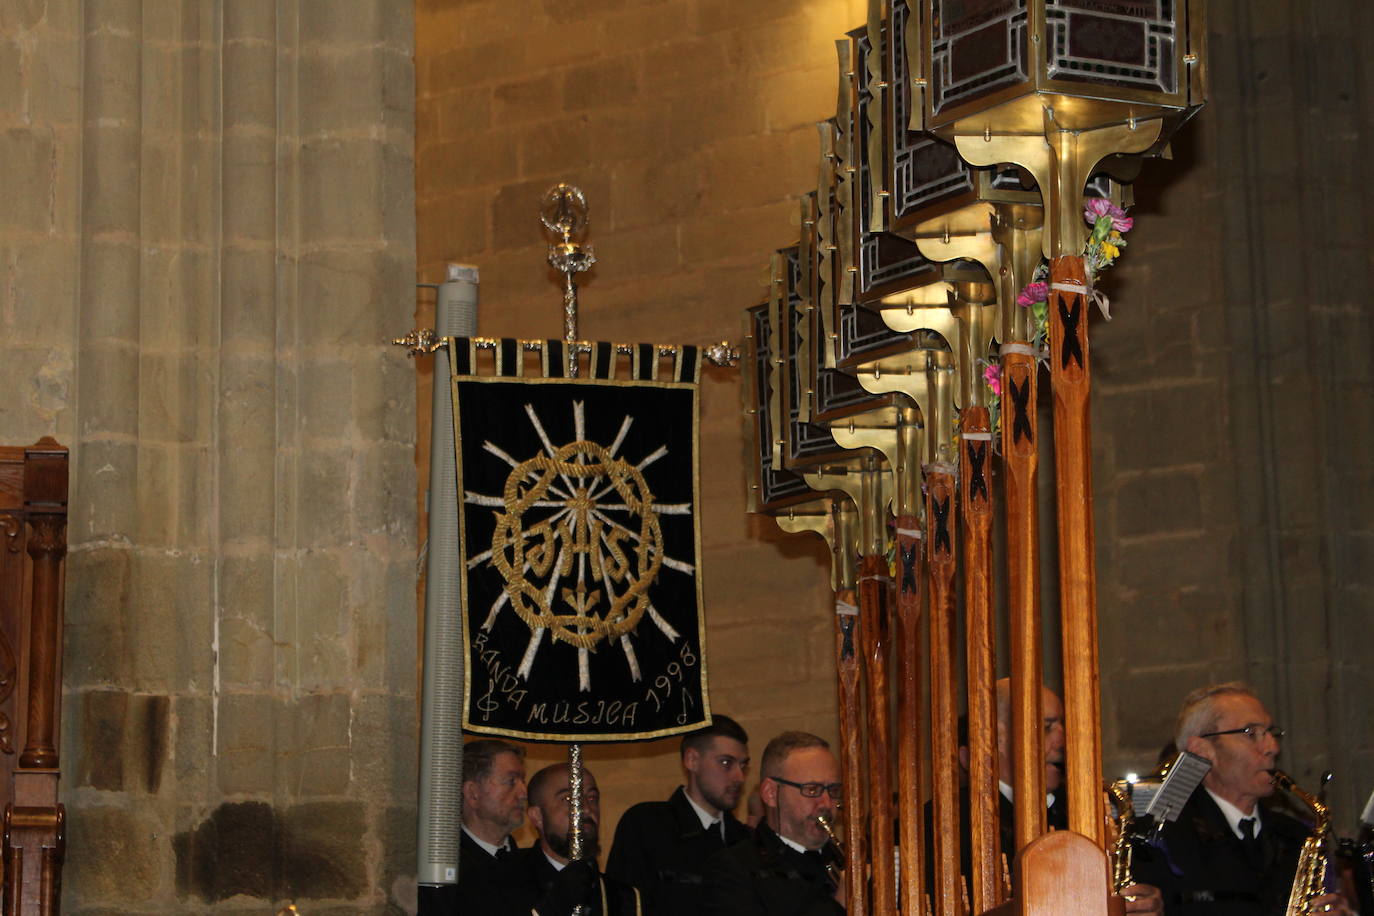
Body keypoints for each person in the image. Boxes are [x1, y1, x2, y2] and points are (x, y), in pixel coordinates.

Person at [933, 679, 1161, 914]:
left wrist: (1145, 905)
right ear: (997, 737)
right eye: (1046, 727)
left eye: (1063, 725)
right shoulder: (947, 822)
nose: (1063, 741)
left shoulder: (1089, 810)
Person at [1132, 682, 1351, 916]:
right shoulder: (1160, 837)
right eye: (1250, 733)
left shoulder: (1295, 836)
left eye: (1271, 732)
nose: (1272, 747)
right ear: (1202, 750)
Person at [607, 714, 753, 915]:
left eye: (743, 765)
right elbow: (623, 906)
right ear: (692, 760)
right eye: (726, 763)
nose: (739, 777)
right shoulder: (647, 826)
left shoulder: (746, 841)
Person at [466, 760, 642, 916]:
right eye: (568, 799)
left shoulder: (621, 897)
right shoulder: (497, 882)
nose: (586, 809)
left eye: (592, 797)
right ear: (537, 816)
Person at [702, 731, 845, 915]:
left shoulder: (846, 858)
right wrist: (839, 906)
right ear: (771, 793)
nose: (826, 803)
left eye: (833, 790)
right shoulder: (732, 869)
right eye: (812, 789)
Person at [419, 738, 528, 915]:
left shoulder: (529, 866)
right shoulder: (443, 869)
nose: (523, 793)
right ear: (473, 793)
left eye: (523, 780)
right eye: (511, 781)